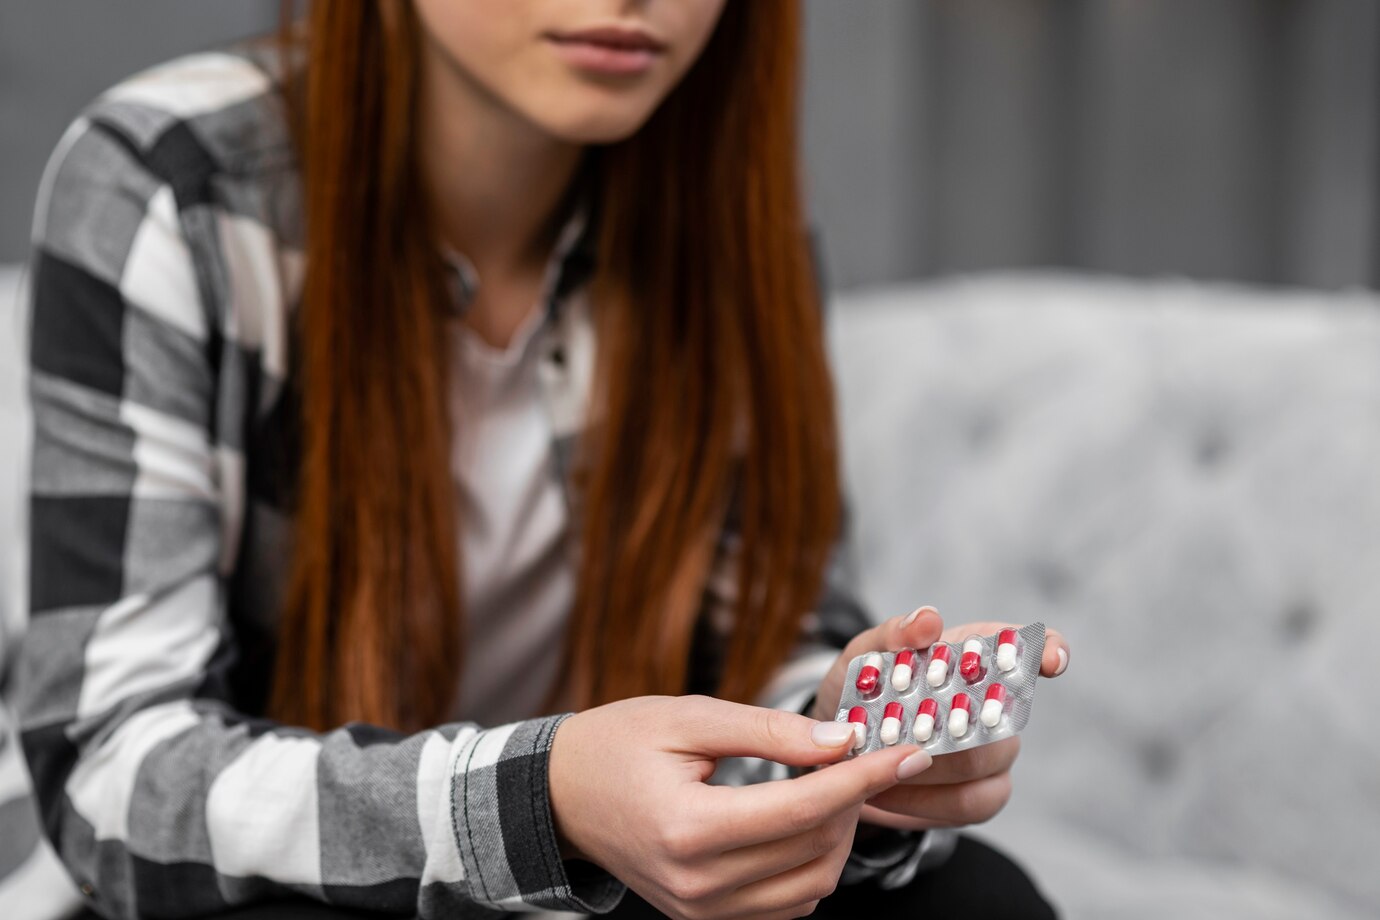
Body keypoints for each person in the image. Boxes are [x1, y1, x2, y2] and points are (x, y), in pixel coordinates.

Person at [14, 2, 1070, 917]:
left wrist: (845, 752)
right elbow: (114, 771)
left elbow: (766, 635)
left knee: (980, 900)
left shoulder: (735, 225)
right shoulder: (169, 184)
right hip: (275, 890)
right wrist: (540, 795)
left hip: (587, 885)